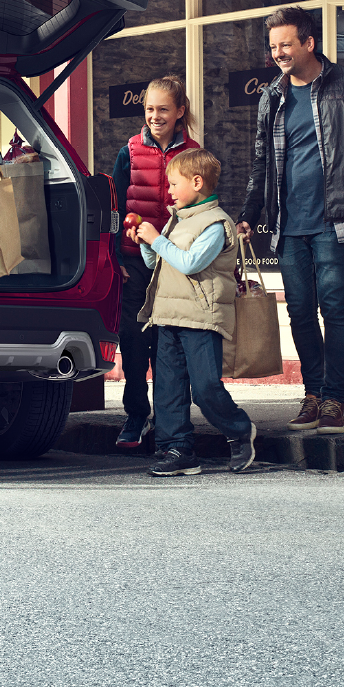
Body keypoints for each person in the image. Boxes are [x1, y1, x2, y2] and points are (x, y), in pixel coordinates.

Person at [240, 6, 344, 437]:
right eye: (273, 47)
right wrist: (249, 213)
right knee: (300, 312)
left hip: (336, 219)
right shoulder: (271, 96)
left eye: (286, 44)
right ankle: (312, 394)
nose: (278, 53)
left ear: (309, 43)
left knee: (333, 307)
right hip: (289, 224)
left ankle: (334, 399)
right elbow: (260, 161)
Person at [128, 147, 256, 476]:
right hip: (167, 314)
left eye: (173, 184)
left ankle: (239, 430)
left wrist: (157, 239)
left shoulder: (215, 224)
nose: (169, 190)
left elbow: (190, 263)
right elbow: (160, 264)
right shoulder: (177, 221)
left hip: (201, 317)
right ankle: (177, 449)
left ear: (197, 182)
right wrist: (147, 245)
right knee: (168, 386)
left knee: (204, 387)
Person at [107, 75, 199, 450]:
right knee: (132, 342)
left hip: (175, 265)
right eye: (149, 110)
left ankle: (168, 418)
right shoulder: (129, 150)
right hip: (134, 263)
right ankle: (134, 414)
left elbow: (203, 209)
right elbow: (114, 208)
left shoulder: (193, 153)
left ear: (179, 112)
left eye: (163, 109)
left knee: (168, 345)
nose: (155, 116)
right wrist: (115, 257)